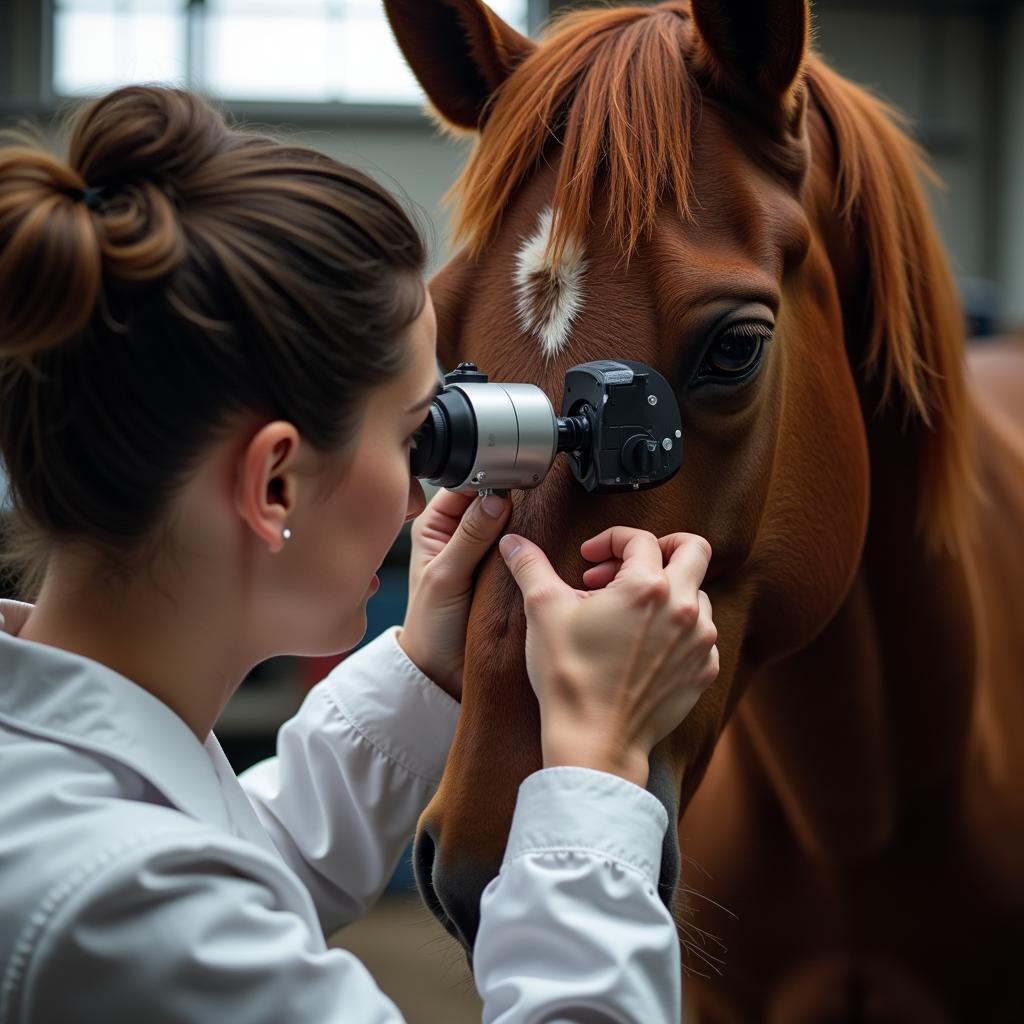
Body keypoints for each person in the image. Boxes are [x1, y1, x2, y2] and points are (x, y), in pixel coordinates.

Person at [0, 86, 719, 1023]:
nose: (428, 478)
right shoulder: (110, 901)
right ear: (274, 486)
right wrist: (596, 763)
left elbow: (235, 859)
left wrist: (423, 660)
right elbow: (176, 894)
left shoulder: (65, 806)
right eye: (418, 431)